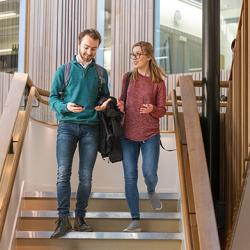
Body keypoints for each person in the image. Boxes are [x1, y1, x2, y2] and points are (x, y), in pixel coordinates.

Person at [49, 29, 110, 238]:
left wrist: (104, 104)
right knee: (63, 173)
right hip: (66, 126)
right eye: (86, 47)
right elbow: (52, 99)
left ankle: (80, 219)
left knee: (85, 177)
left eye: (94, 48)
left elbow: (105, 97)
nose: (89, 52)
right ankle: (63, 220)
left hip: (91, 129)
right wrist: (65, 106)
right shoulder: (63, 70)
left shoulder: (102, 73)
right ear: (78, 44)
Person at [117, 41, 167, 232]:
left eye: (139, 54)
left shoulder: (158, 83)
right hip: (127, 134)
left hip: (150, 135)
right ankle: (135, 220)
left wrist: (153, 109)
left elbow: (162, 110)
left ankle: (152, 189)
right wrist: (120, 105)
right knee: (130, 176)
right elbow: (122, 99)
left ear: (149, 56)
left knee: (149, 173)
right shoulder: (128, 77)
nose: (135, 58)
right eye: (133, 54)